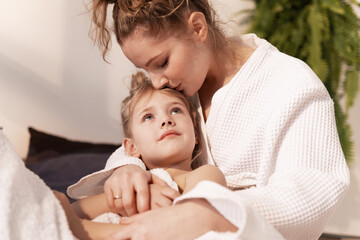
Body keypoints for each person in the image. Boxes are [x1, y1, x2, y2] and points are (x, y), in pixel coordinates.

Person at [69, 0, 350, 239]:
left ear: (198, 28)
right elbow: (140, 139)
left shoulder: (290, 83)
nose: (156, 82)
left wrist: (207, 213)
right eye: (145, 70)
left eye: (162, 62)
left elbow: (311, 194)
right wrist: (126, 169)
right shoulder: (177, 88)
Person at [64, 71, 235, 239]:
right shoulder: (130, 183)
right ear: (131, 148)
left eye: (176, 110)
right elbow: (71, 214)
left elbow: (194, 220)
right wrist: (136, 196)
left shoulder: (204, 174)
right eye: (148, 117)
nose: (166, 120)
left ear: (196, 135)